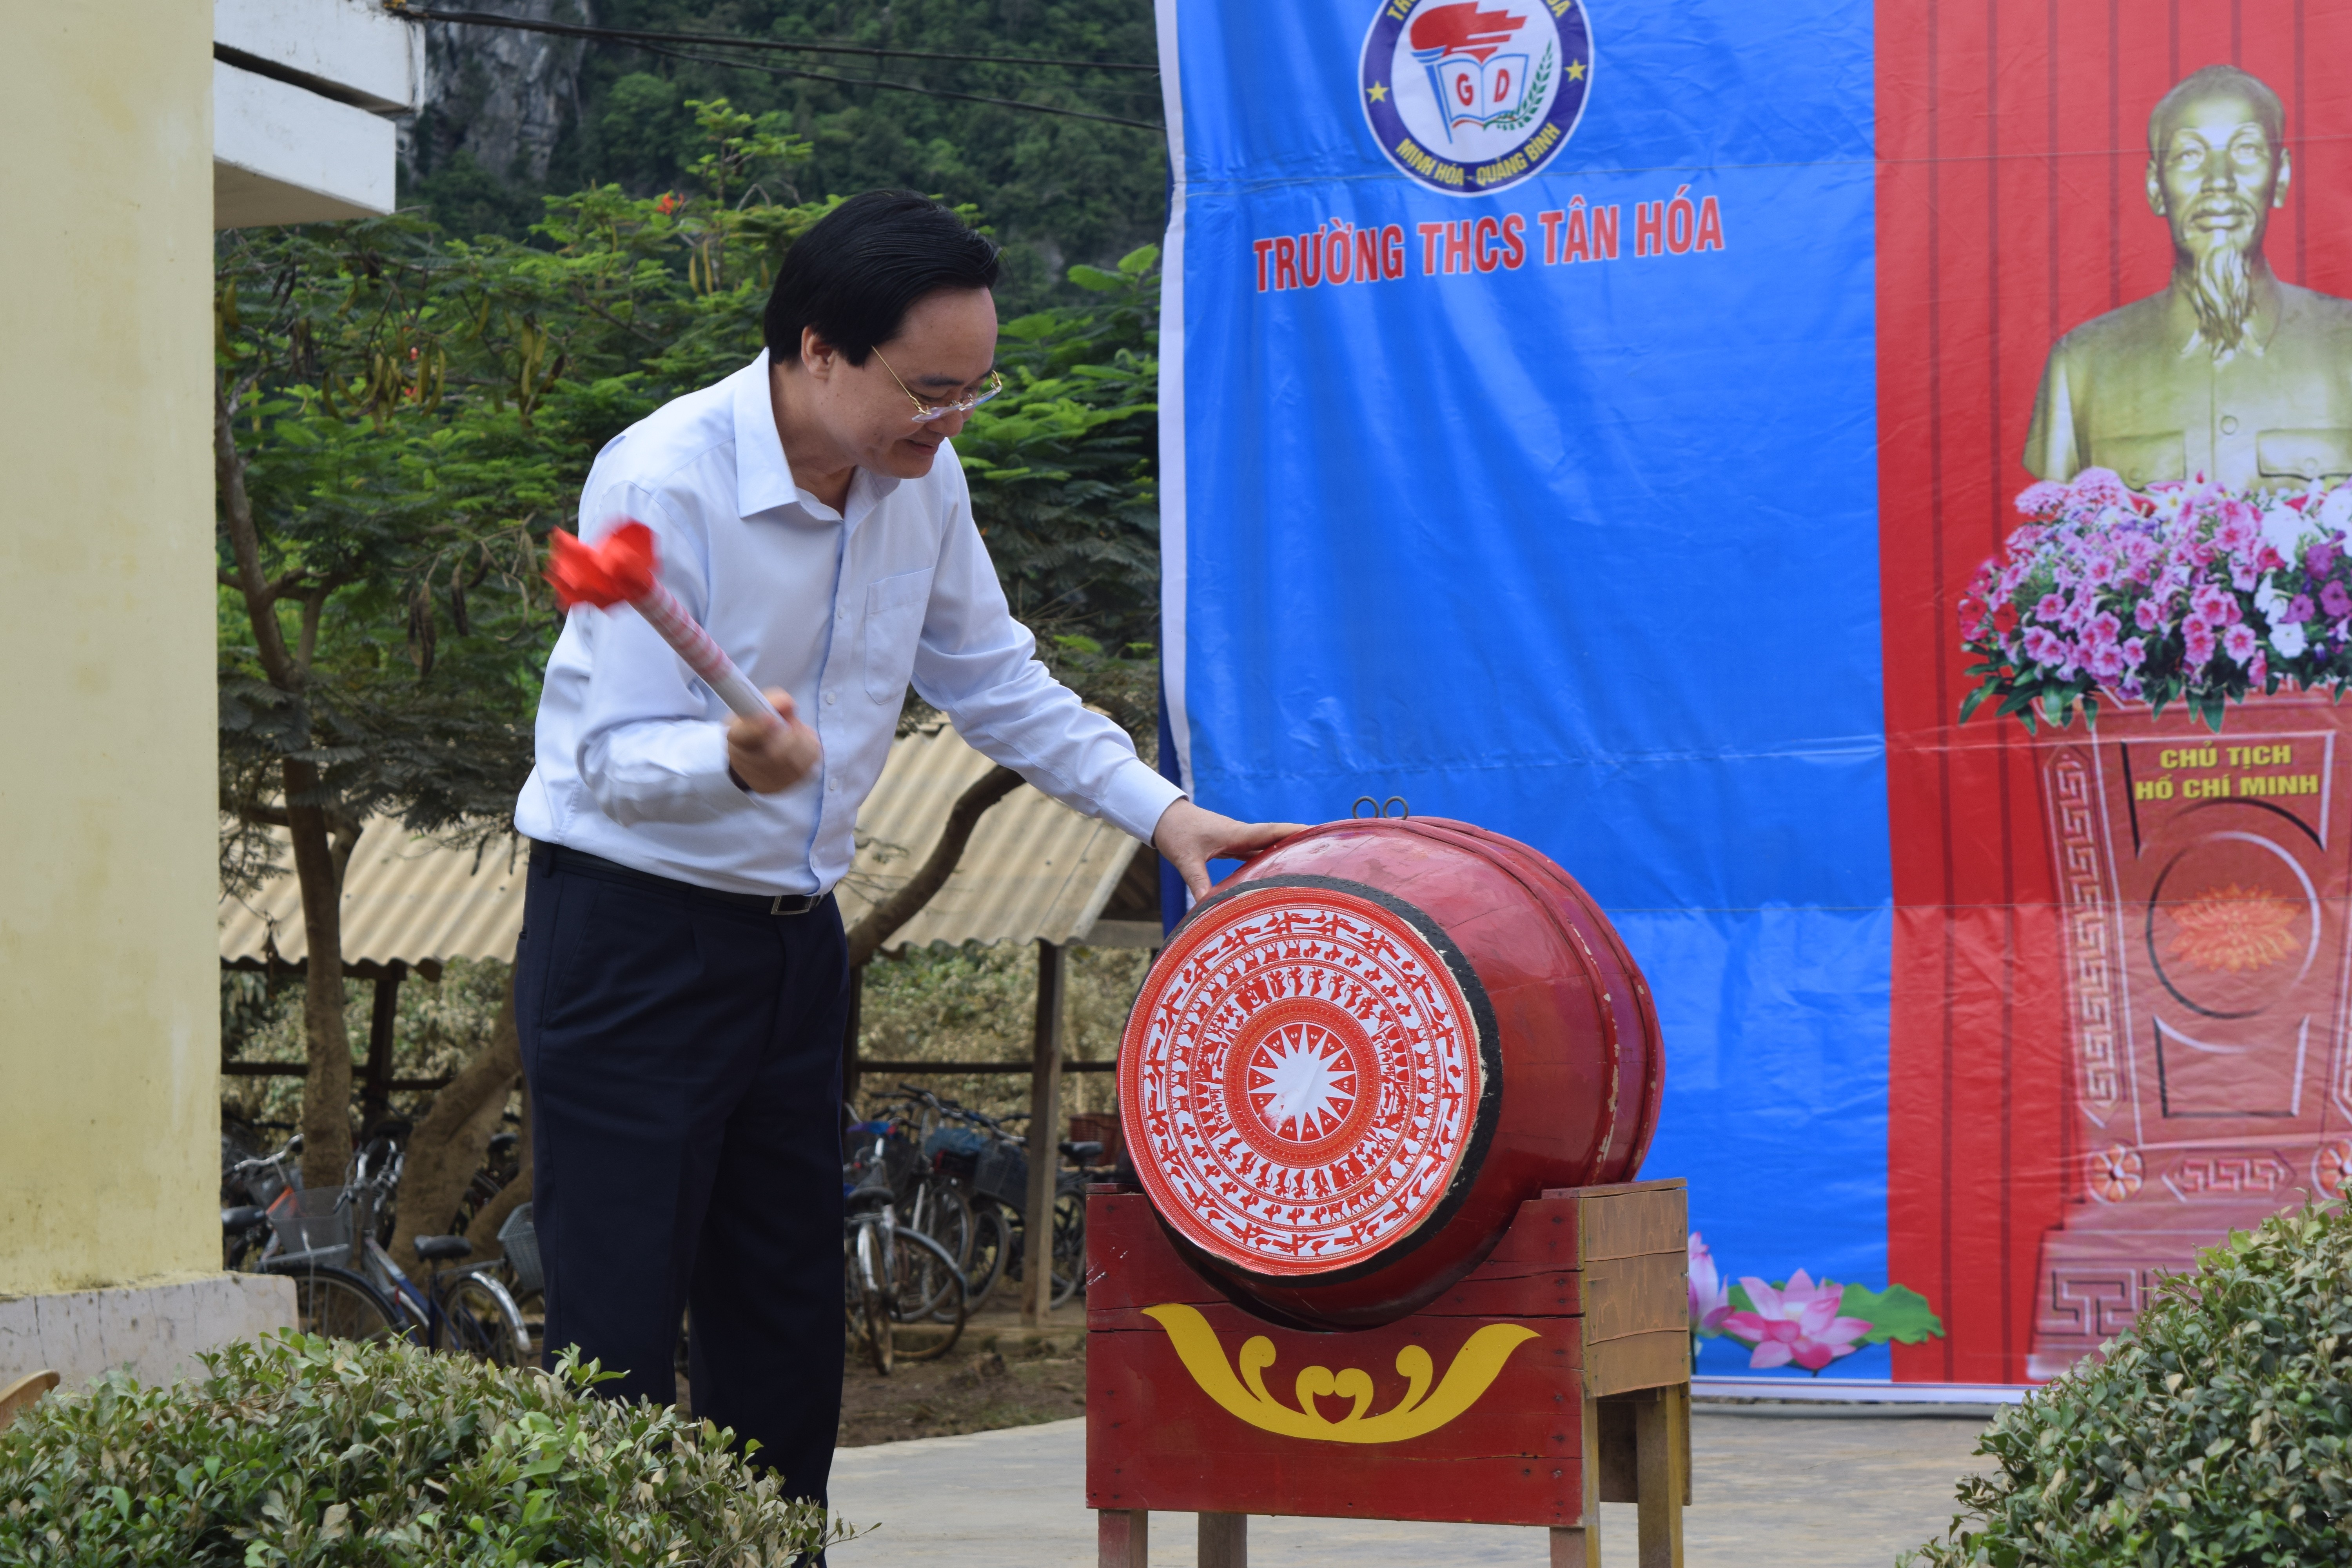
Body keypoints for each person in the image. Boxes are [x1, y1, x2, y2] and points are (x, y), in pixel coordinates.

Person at [510, 190, 1296, 1508]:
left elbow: (997, 679)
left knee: (786, 1321)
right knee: (621, 1330)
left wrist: (1163, 811)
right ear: (819, 348)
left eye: (974, 395)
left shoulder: (922, 484)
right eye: (930, 393)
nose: (951, 425)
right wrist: (727, 758)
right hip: (630, 938)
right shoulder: (666, 476)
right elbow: (607, 756)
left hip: (792, 945)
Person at [2024, 64, 2352, 492]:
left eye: (2247, 149)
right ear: (2156, 188)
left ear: (2281, 178)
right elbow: (2060, 542)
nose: (2220, 181)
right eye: (2189, 155)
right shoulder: (2082, 366)